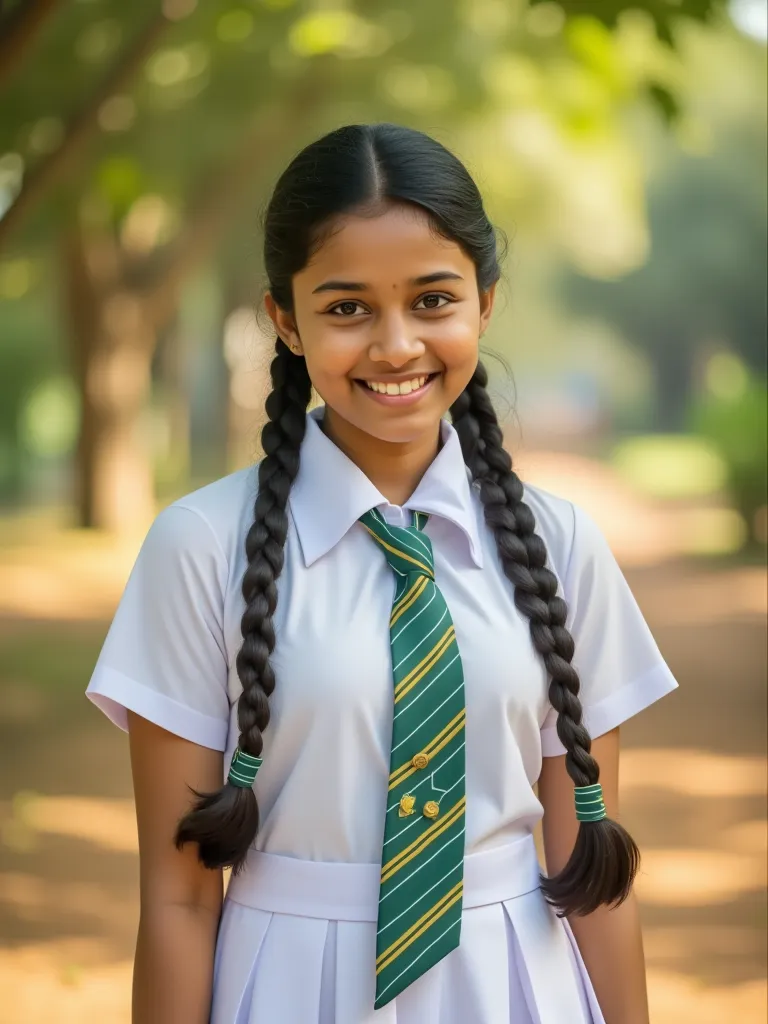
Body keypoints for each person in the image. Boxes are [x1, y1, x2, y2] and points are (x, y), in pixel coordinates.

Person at [86, 123, 678, 1024]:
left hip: (517, 987)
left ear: (485, 301)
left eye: (433, 299)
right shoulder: (202, 545)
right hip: (286, 988)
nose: (396, 346)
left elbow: (588, 873)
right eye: (347, 307)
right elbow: (176, 899)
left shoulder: (562, 545)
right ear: (284, 318)